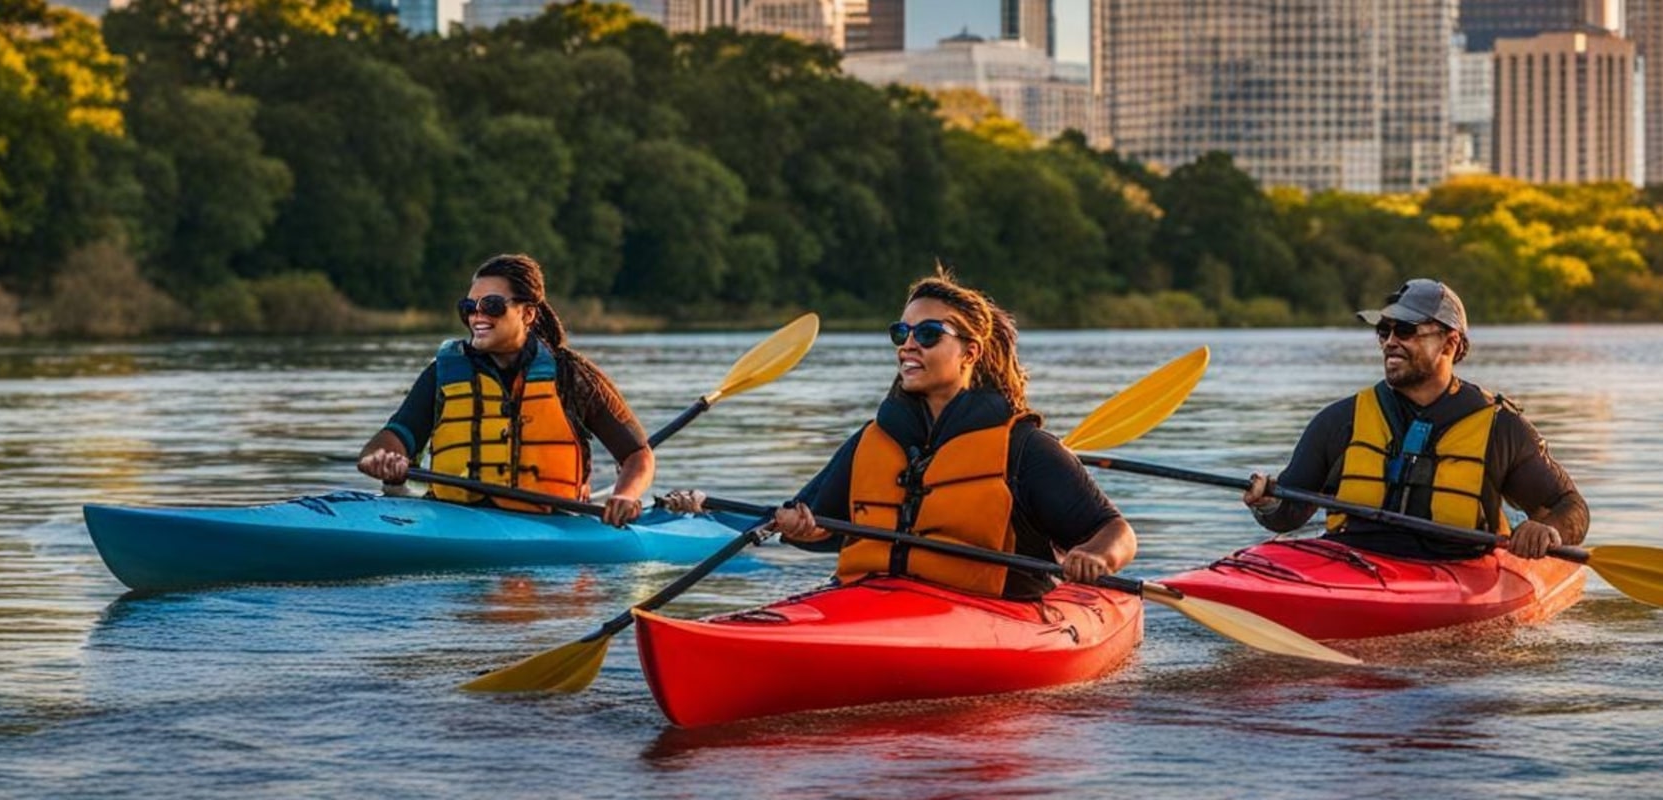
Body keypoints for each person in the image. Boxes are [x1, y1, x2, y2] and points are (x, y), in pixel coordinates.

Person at [672, 269, 1136, 598]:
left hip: (993, 612)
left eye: (929, 333)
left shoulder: (1024, 448)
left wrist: (1097, 556)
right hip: (872, 598)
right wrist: (795, 528)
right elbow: (819, 525)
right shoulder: (874, 439)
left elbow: (1116, 531)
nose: (910, 345)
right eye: (902, 332)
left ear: (969, 351)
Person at [1242, 278, 1588, 560]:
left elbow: (1570, 506)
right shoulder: (1339, 421)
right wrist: (1268, 502)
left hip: (1453, 568)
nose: (1390, 342)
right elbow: (1288, 515)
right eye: (1384, 331)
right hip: (1349, 561)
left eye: (1405, 330)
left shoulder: (1501, 428)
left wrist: (1548, 529)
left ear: (1450, 343)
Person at [356, 254, 653, 527]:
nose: (477, 317)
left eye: (492, 306)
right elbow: (392, 437)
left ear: (527, 314)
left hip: (554, 527)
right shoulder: (443, 373)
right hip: (453, 521)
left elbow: (637, 455)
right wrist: (386, 459)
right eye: (469, 308)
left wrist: (625, 495)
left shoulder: (572, 376)